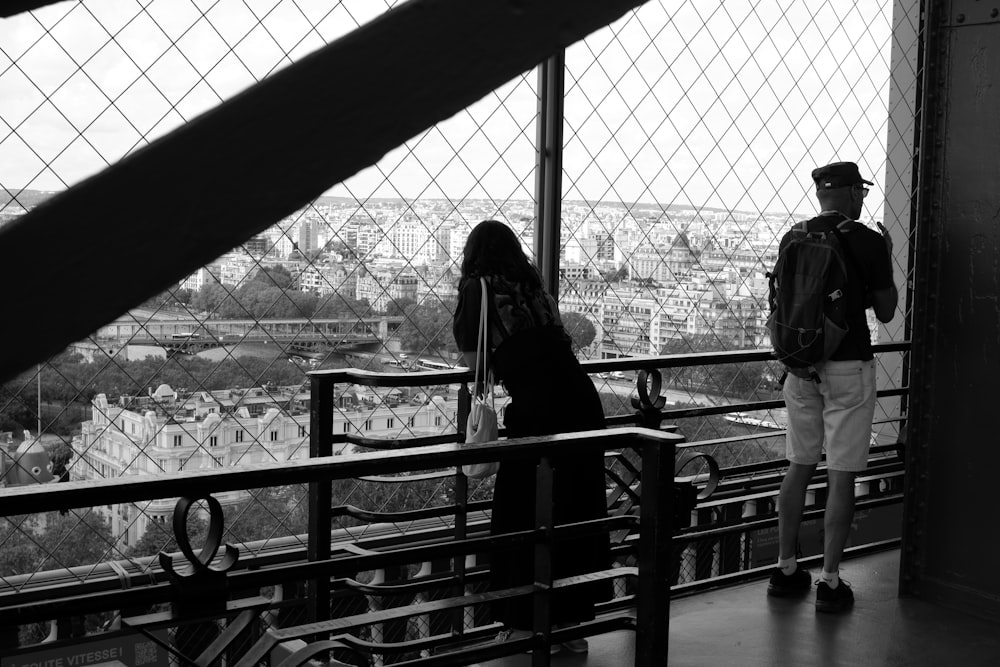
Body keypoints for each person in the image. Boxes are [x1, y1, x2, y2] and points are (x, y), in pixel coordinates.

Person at [453, 219, 611, 653]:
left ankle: (527, 621)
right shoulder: (535, 286)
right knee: (576, 507)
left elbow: (473, 360)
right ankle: (570, 621)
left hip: (539, 410)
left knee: (522, 511)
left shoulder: (478, 289)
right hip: (580, 401)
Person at [766, 162, 898, 612]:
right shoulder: (868, 240)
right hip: (848, 367)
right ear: (849, 194)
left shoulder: (793, 237)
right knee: (841, 475)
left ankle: (785, 569)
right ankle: (830, 580)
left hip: (801, 368)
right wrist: (889, 257)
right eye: (860, 191)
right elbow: (886, 312)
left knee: (798, 466)